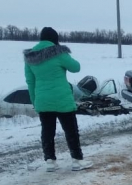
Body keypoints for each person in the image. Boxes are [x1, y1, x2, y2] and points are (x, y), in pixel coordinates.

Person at [24, 27, 93, 171]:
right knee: (71, 130)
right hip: (62, 99)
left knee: (47, 131)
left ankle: (50, 162)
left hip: (43, 100)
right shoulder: (59, 53)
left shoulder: (30, 57)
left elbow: (30, 82)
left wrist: (34, 101)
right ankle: (76, 160)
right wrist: (64, 54)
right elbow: (76, 67)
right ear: (55, 40)